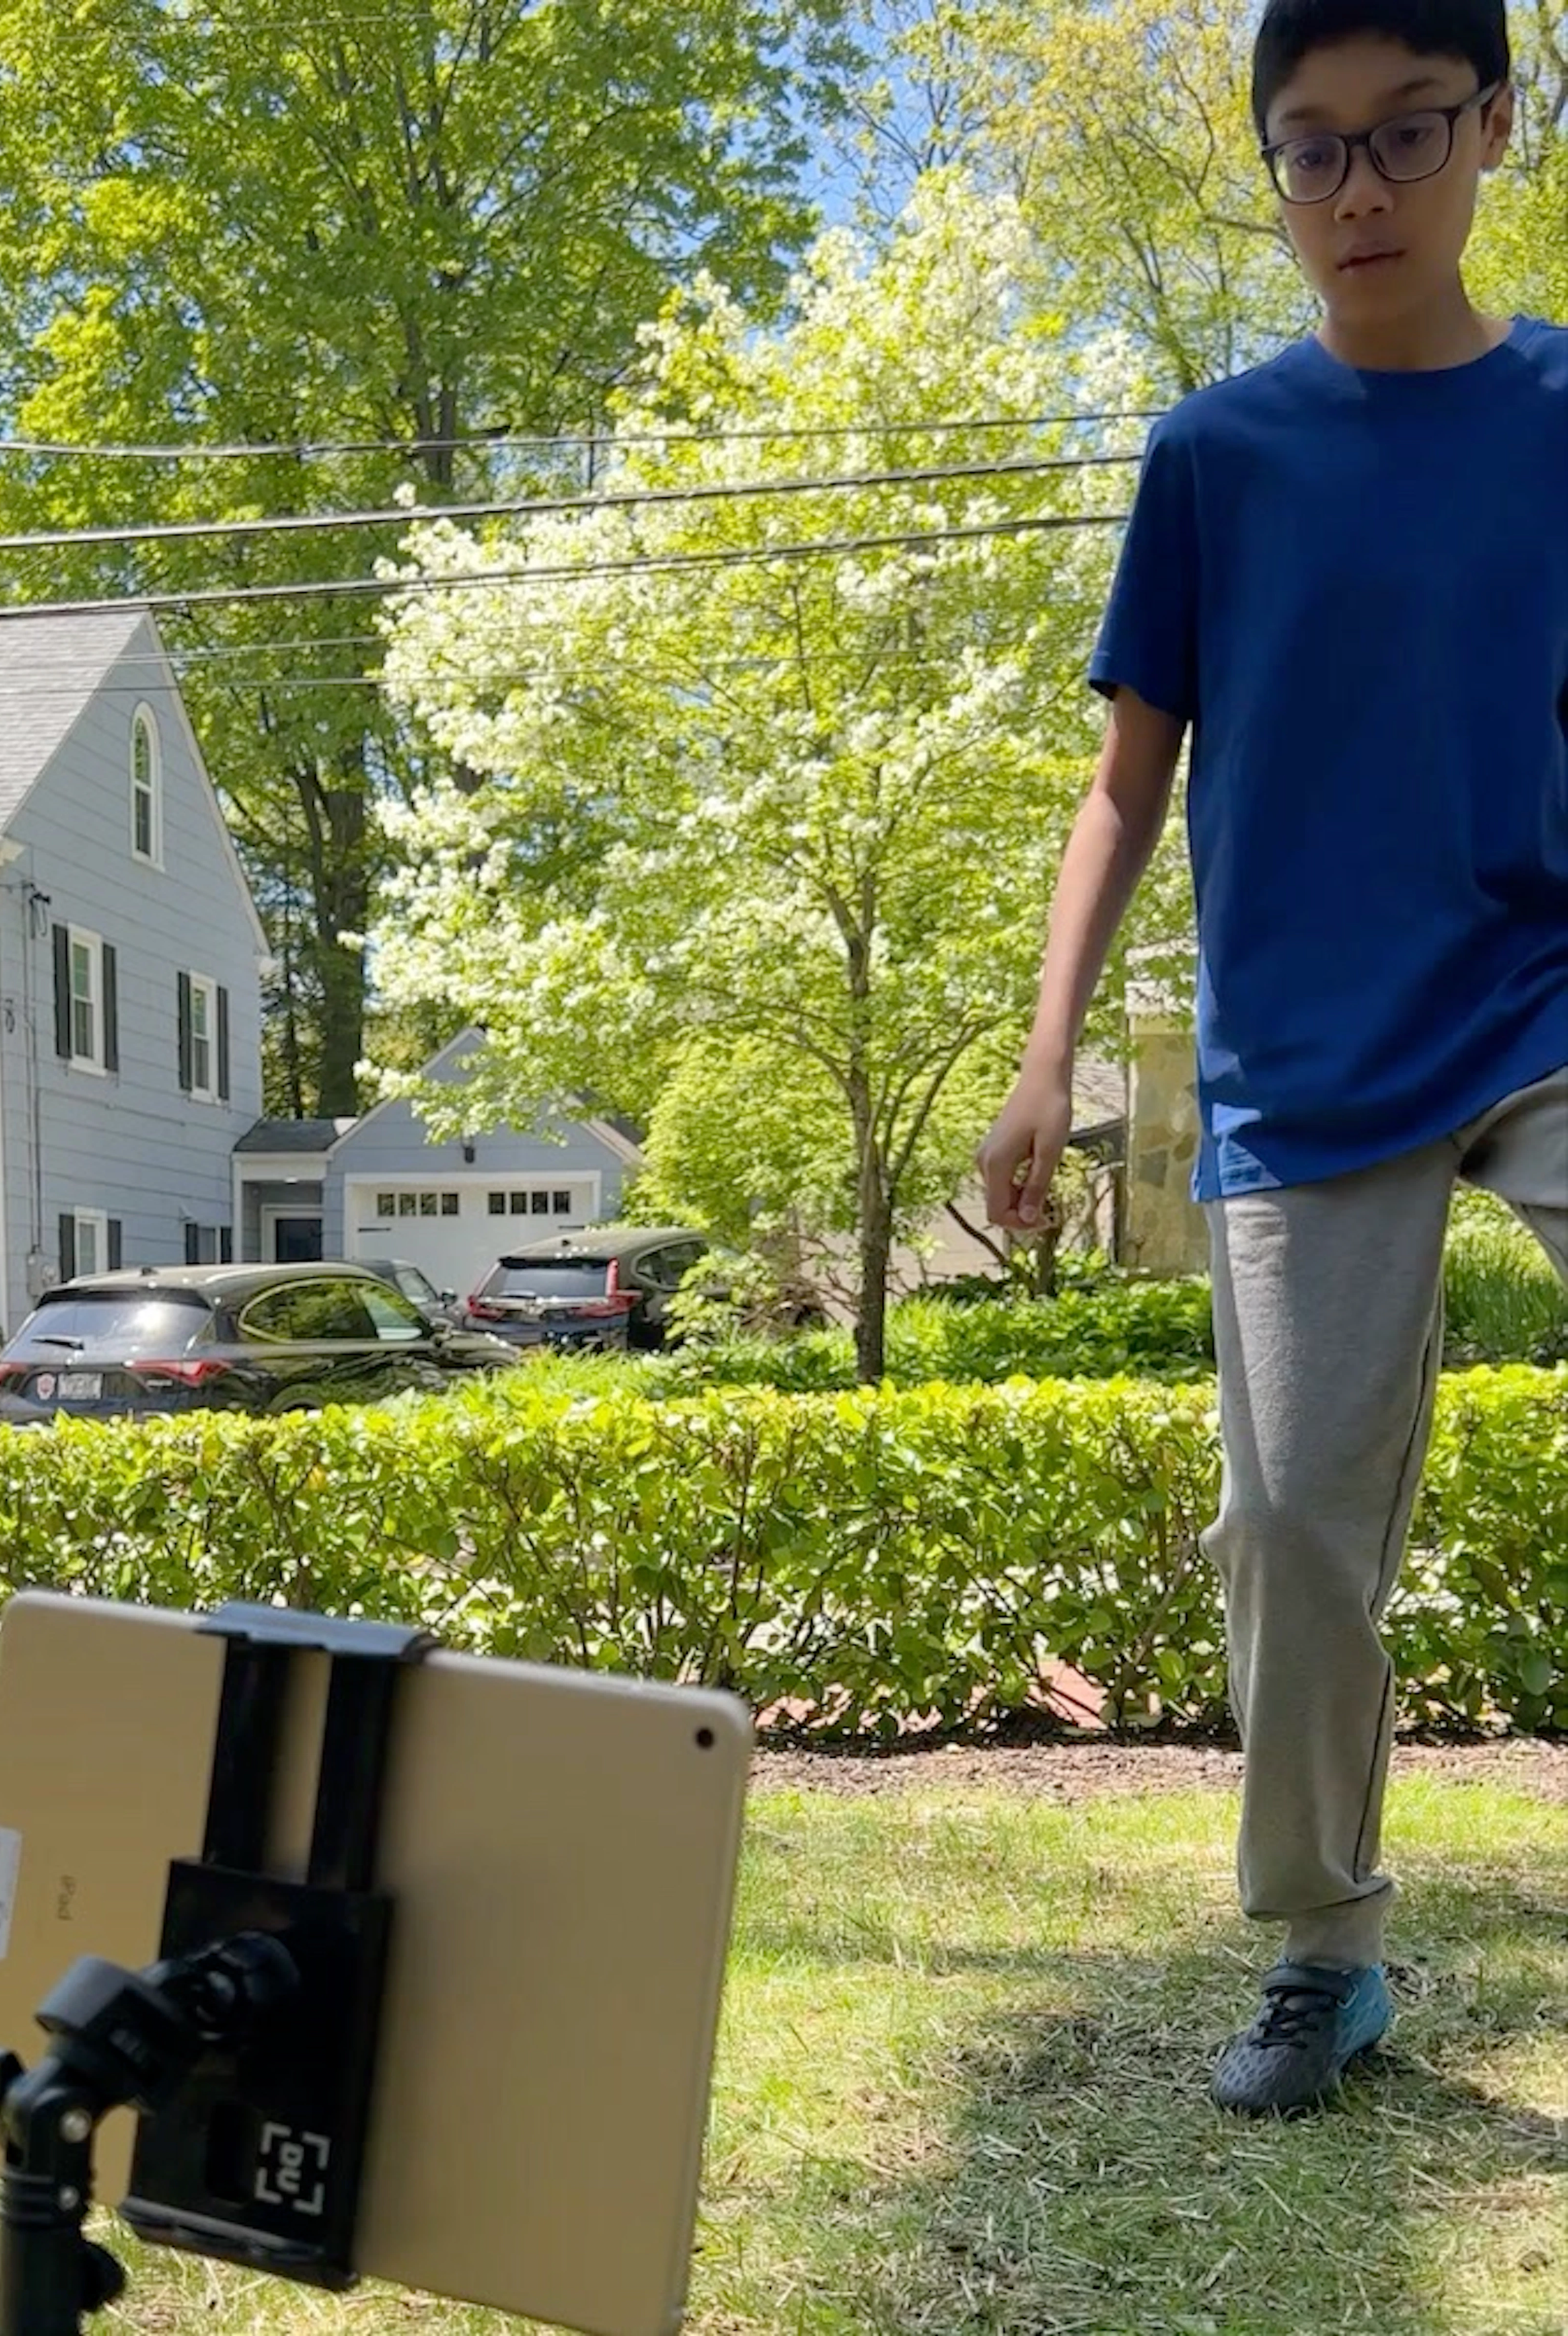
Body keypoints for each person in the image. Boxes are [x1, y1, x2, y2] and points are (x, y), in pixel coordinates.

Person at [976, 0, 1568, 2118]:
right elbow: (1125, 787)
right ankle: (1326, 1952)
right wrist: (1052, 1061)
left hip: (1546, 984)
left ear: (1498, 126)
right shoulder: (1214, 456)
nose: (1365, 190)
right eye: (1313, 151)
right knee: (1294, 1523)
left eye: (1409, 133)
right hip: (1306, 1055)